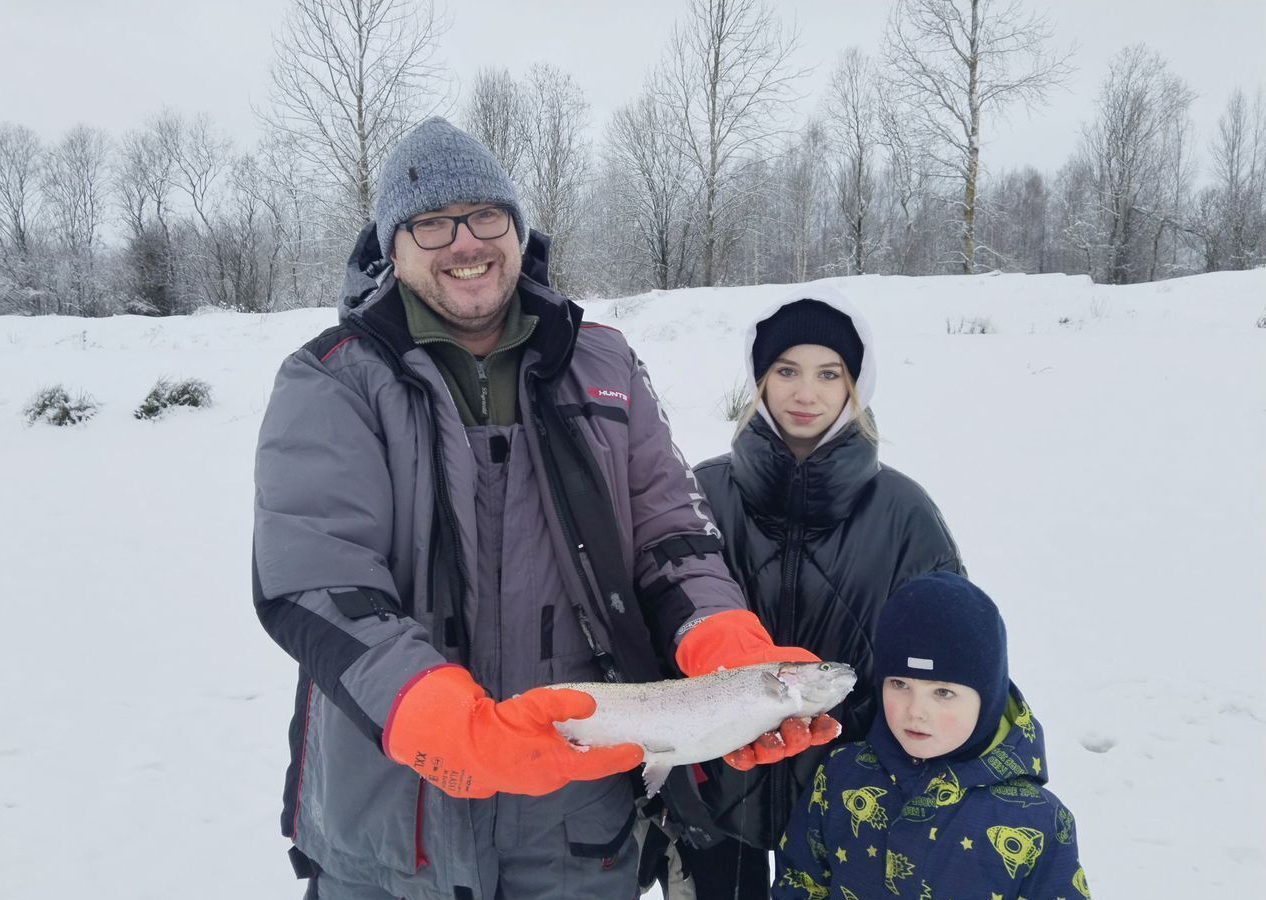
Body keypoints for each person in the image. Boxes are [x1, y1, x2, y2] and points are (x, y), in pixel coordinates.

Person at [251, 117, 831, 900]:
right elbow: (316, 578)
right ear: (393, 245)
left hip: (577, 821)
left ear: (519, 231)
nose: (466, 242)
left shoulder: (605, 363)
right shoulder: (332, 379)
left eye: (486, 215)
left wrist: (724, 651)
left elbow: (673, 534)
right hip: (389, 825)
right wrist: (444, 724)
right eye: (432, 223)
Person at [655, 290, 965, 899]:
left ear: (856, 384)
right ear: (760, 380)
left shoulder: (906, 514)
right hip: (714, 800)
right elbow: (656, 623)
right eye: (786, 371)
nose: (806, 394)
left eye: (830, 374)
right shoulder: (698, 494)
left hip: (849, 810)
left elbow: (950, 662)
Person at [774, 572, 1090, 899]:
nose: (916, 711)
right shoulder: (841, 774)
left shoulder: (1038, 818)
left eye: (943, 692)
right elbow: (800, 881)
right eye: (900, 685)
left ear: (989, 699)